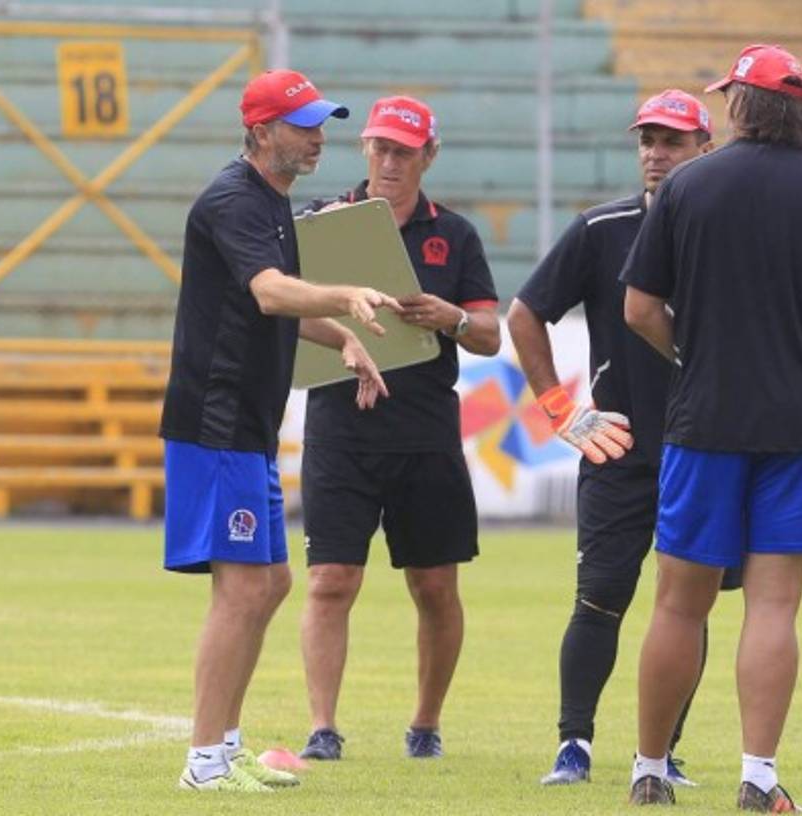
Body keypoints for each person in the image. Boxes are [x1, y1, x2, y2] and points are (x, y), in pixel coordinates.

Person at [620, 45, 802, 809]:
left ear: (738, 105)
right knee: (774, 605)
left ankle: (648, 768)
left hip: (703, 420)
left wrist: (696, 358)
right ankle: (758, 775)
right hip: (801, 428)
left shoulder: (688, 187)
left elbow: (639, 308)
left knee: (679, 602)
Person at [160, 69, 402, 793]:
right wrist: (346, 295)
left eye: (321, 122)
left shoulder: (270, 203)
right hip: (216, 424)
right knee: (241, 591)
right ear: (262, 131)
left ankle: (223, 749)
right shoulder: (233, 200)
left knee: (267, 583)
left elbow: (280, 300)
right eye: (302, 124)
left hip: (247, 429)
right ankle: (206, 764)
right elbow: (269, 293)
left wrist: (342, 340)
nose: (317, 135)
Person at [507, 89, 742, 788]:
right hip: (620, 450)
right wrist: (561, 409)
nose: (655, 153)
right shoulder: (601, 229)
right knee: (600, 597)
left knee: (690, 603)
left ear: (706, 149)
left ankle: (663, 752)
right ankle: (573, 745)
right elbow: (526, 315)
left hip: (705, 451)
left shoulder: (728, 234)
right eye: (647, 139)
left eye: (672, 141)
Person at [297, 95, 501, 761]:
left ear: (428, 157)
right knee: (331, 580)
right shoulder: (323, 224)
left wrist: (453, 318)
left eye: (404, 151)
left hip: (425, 432)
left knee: (436, 586)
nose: (389, 161)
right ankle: (322, 728)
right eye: (380, 148)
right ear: (365, 150)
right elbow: (276, 306)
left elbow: (491, 337)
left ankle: (426, 724)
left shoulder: (458, 236)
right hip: (339, 426)